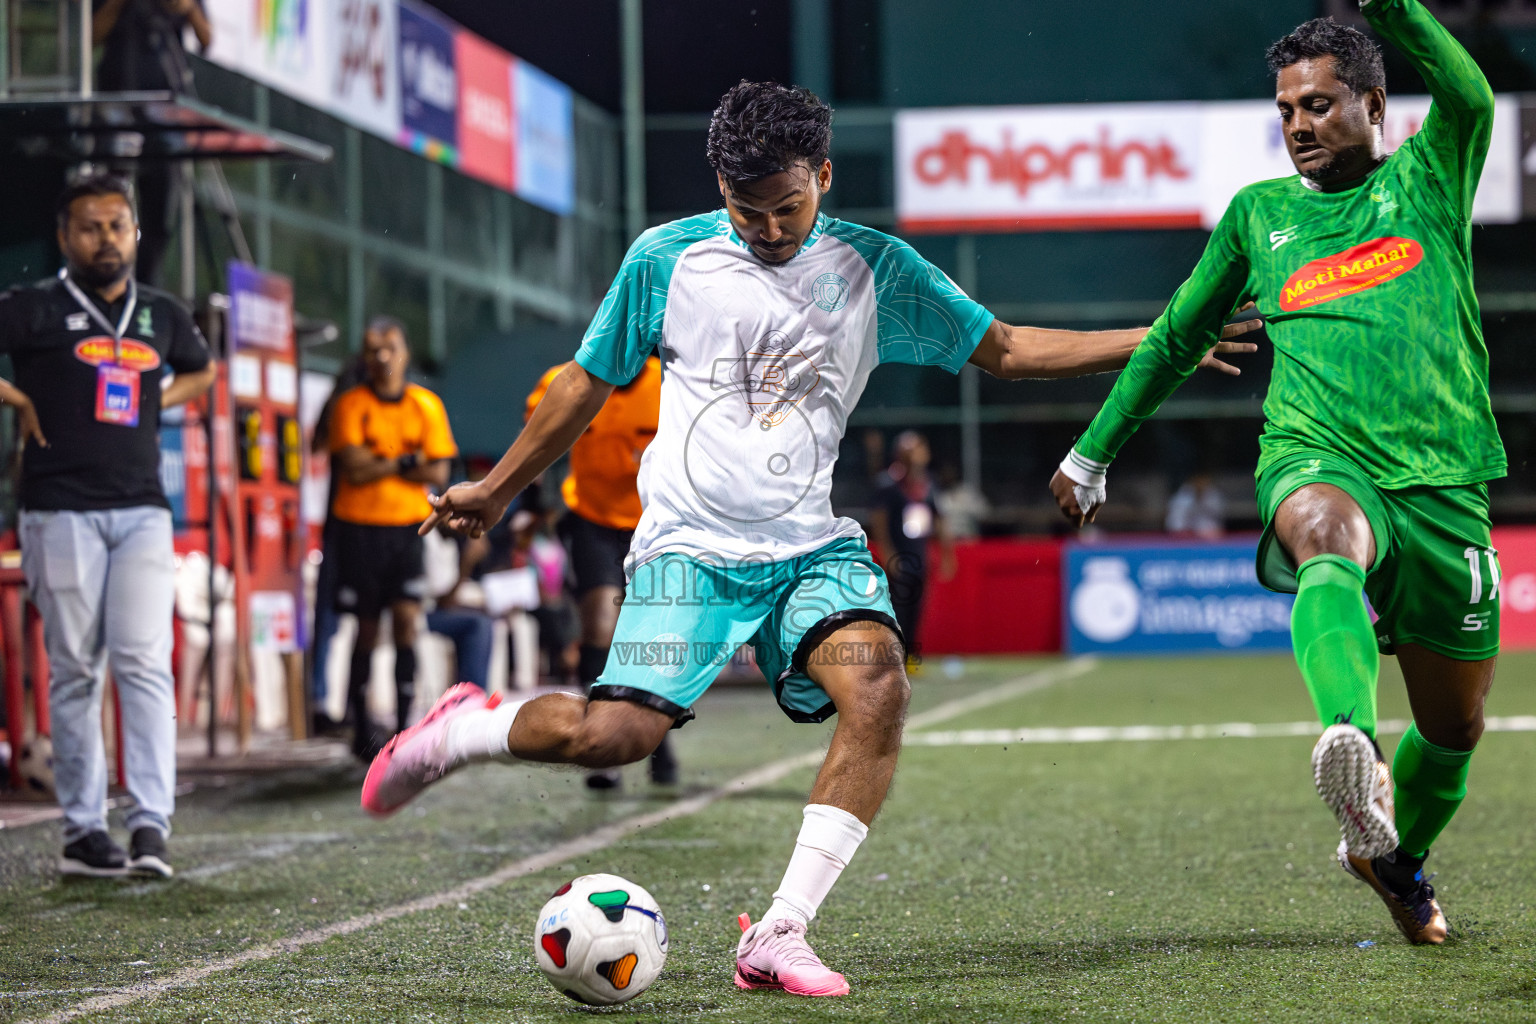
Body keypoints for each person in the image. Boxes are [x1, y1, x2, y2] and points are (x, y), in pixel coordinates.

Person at [363, 81, 1256, 996]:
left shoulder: (876, 269)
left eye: (789, 207)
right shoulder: (664, 260)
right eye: (748, 211)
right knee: (613, 738)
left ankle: (780, 932)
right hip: (688, 554)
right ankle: (464, 731)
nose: (770, 229)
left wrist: (1163, 341)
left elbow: (1011, 350)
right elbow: (584, 386)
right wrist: (498, 487)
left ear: (824, 176)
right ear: (720, 187)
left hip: (808, 552)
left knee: (876, 687)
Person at [1050, 0, 1500, 947]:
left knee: (1456, 732)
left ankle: (1393, 855)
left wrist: (1390, 9)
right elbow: (1177, 336)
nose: (1299, 124)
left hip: (1445, 479)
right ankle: (1352, 745)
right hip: (1318, 452)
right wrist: (1093, 451)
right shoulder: (1261, 216)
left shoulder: (1429, 174)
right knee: (1324, 536)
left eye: (1322, 105)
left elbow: (1468, 91)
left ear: (1376, 107)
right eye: (1288, 108)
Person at [0, 173, 217, 877]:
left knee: (145, 662)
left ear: (135, 233)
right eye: (90, 227)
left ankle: (151, 824)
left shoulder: (160, 312)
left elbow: (203, 371)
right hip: (58, 508)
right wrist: (16, 400)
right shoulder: (33, 307)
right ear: (65, 236)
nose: (105, 239)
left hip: (142, 509)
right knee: (75, 671)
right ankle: (84, 832)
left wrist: (158, 396)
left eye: (117, 226)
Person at [525, 356, 679, 788]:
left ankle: (656, 741)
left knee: (649, 636)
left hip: (655, 523)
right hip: (591, 520)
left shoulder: (670, 385)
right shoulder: (564, 381)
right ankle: (600, 743)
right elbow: (536, 439)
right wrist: (528, 501)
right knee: (599, 627)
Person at [328, 317, 457, 760]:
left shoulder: (426, 405)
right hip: (358, 529)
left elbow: (438, 471)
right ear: (364, 357)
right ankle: (361, 727)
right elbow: (353, 468)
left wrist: (381, 463)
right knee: (365, 629)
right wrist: (407, 462)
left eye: (390, 347)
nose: (382, 356)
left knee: (406, 622)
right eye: (372, 349)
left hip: (408, 530)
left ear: (405, 353)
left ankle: (405, 728)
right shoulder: (349, 406)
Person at [92, 0, 213, 288]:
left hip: (165, 109)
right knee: (114, 194)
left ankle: (147, 280)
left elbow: (206, 38)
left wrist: (182, 7)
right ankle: (112, 274)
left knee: (162, 203)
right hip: (117, 102)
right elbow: (91, 35)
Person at [308, 354, 368, 736]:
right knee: (331, 621)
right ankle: (322, 704)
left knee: (364, 621)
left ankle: (349, 707)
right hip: (345, 523)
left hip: (372, 526)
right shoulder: (347, 400)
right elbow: (322, 444)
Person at [866, 431, 956, 666]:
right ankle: (892, 658)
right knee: (898, 608)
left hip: (919, 554)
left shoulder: (928, 483)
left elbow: (938, 519)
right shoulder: (889, 484)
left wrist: (946, 553)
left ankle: (910, 657)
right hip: (898, 554)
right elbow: (879, 521)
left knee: (917, 607)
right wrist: (887, 553)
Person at [1164, 472, 1225, 538]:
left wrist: (1201, 500)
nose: (1200, 484)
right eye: (1198, 481)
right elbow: (1176, 516)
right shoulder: (1183, 493)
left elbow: (1218, 513)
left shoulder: (1213, 494)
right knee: (1176, 525)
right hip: (1185, 526)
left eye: (1203, 481)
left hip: (1203, 528)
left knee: (1210, 528)